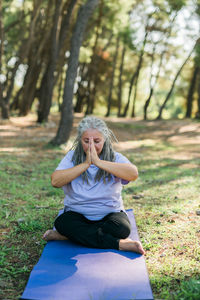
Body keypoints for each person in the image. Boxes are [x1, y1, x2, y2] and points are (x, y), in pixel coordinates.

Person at [43, 116, 145, 255]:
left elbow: (133, 174)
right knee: (62, 223)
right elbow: (55, 181)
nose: (91, 146)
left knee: (122, 229)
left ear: (105, 140)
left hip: (109, 214)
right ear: (80, 140)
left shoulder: (114, 157)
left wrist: (98, 163)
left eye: (97, 141)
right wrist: (86, 164)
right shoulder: (72, 157)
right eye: (86, 141)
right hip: (77, 213)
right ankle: (119, 244)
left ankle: (68, 236)